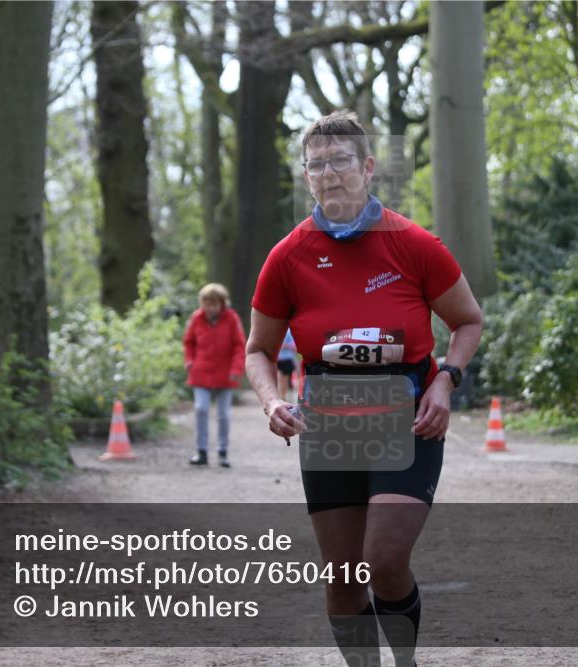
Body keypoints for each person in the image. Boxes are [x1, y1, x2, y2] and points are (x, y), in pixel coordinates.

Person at [245, 110, 483, 666]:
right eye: (316, 165)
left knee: (384, 559)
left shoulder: (414, 244)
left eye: (340, 161)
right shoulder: (287, 257)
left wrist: (445, 380)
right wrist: (272, 400)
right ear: (306, 177)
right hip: (330, 425)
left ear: (368, 167)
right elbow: (258, 349)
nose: (329, 173)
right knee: (344, 577)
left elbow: (468, 320)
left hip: (407, 419)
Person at [183, 283, 246, 467]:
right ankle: (201, 451)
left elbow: (239, 346)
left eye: (214, 304)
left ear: (222, 304)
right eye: (207, 304)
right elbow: (188, 342)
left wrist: (236, 369)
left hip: (225, 374)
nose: (210, 308)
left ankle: (222, 452)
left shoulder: (232, 319)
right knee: (201, 409)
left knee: (223, 414)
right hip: (201, 372)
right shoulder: (196, 318)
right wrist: (189, 360)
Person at [276, 328, 298, 401]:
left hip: (287, 359)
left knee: (285, 380)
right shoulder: (276, 330)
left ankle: (283, 396)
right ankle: (280, 396)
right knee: (279, 379)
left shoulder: (289, 332)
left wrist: (286, 346)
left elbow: (294, 347)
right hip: (278, 359)